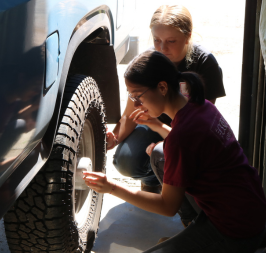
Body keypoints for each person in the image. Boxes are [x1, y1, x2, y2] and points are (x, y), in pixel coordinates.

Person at [84, 50, 266, 253]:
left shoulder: (181, 138)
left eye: (137, 96)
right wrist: (156, 125)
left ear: (162, 87)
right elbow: (190, 143)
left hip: (235, 231)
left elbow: (167, 206)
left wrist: (111, 187)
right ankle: (193, 227)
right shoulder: (201, 106)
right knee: (161, 154)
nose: (135, 104)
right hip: (249, 207)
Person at [106, 5, 226, 195]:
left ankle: (178, 190)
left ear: (188, 36)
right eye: (156, 40)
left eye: (171, 41)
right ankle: (153, 177)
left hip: (186, 132)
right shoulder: (146, 62)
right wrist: (114, 138)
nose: (162, 48)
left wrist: (166, 145)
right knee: (125, 161)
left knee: (170, 155)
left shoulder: (204, 62)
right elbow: (130, 114)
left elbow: (202, 122)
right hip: (151, 124)